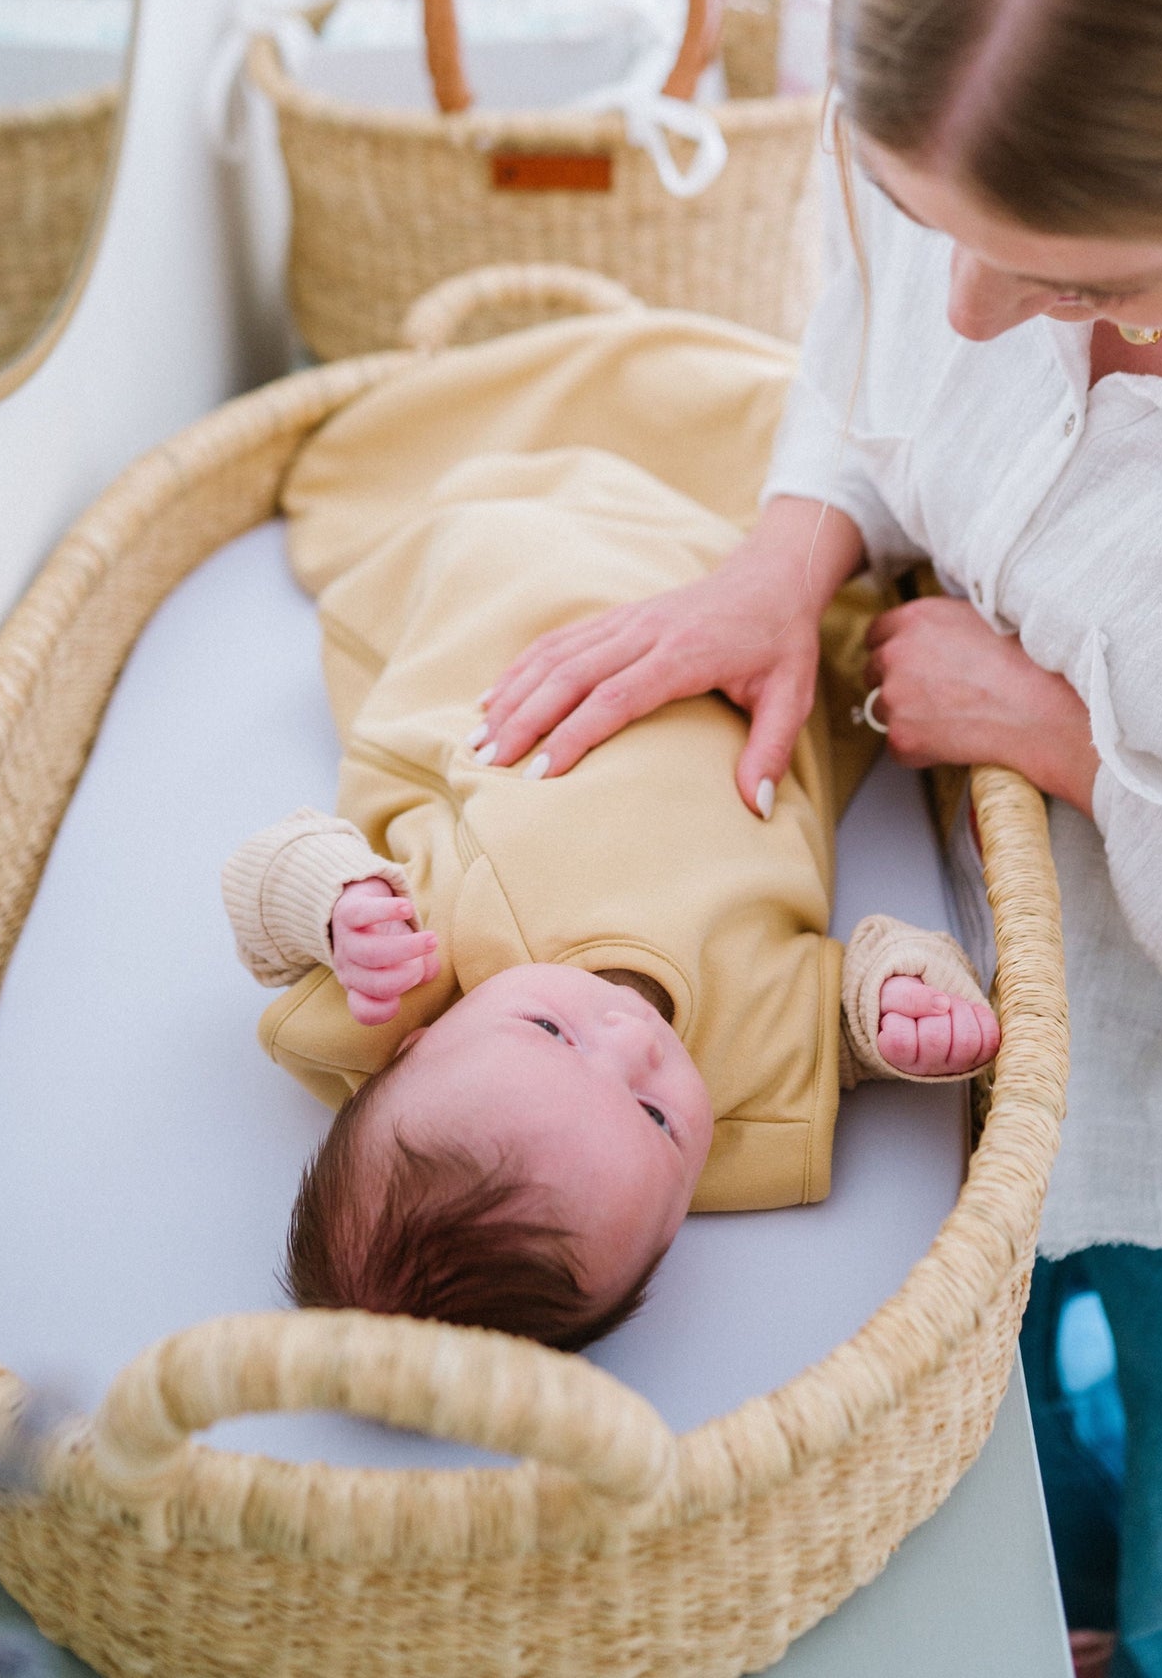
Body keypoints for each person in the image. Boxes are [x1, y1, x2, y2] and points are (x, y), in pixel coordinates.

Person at [475, 0, 1162, 1669]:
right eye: (904, 205)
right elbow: (866, 376)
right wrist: (799, 534)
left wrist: (1068, 749)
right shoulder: (946, 157)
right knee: (1018, 1489)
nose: (956, 316)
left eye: (1078, 287)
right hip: (994, 1062)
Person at [222, 318, 997, 1354]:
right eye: (655, 1119)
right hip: (767, 663)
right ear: (678, 1211)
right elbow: (856, 994)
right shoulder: (746, 1068)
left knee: (512, 532)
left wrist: (333, 905)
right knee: (853, 516)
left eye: (549, 1034)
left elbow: (262, 871)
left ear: (418, 1044)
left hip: (537, 605)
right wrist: (901, 1005)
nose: (631, 1045)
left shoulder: (421, 959)